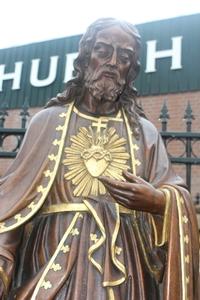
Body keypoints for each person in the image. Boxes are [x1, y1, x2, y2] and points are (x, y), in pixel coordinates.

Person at [0, 18, 199, 300]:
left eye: (125, 56)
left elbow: (175, 193)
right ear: (85, 58)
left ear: (132, 69)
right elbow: (11, 206)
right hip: (51, 262)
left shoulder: (144, 132)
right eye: (103, 51)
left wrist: (158, 201)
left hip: (127, 270)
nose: (113, 62)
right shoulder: (48, 122)